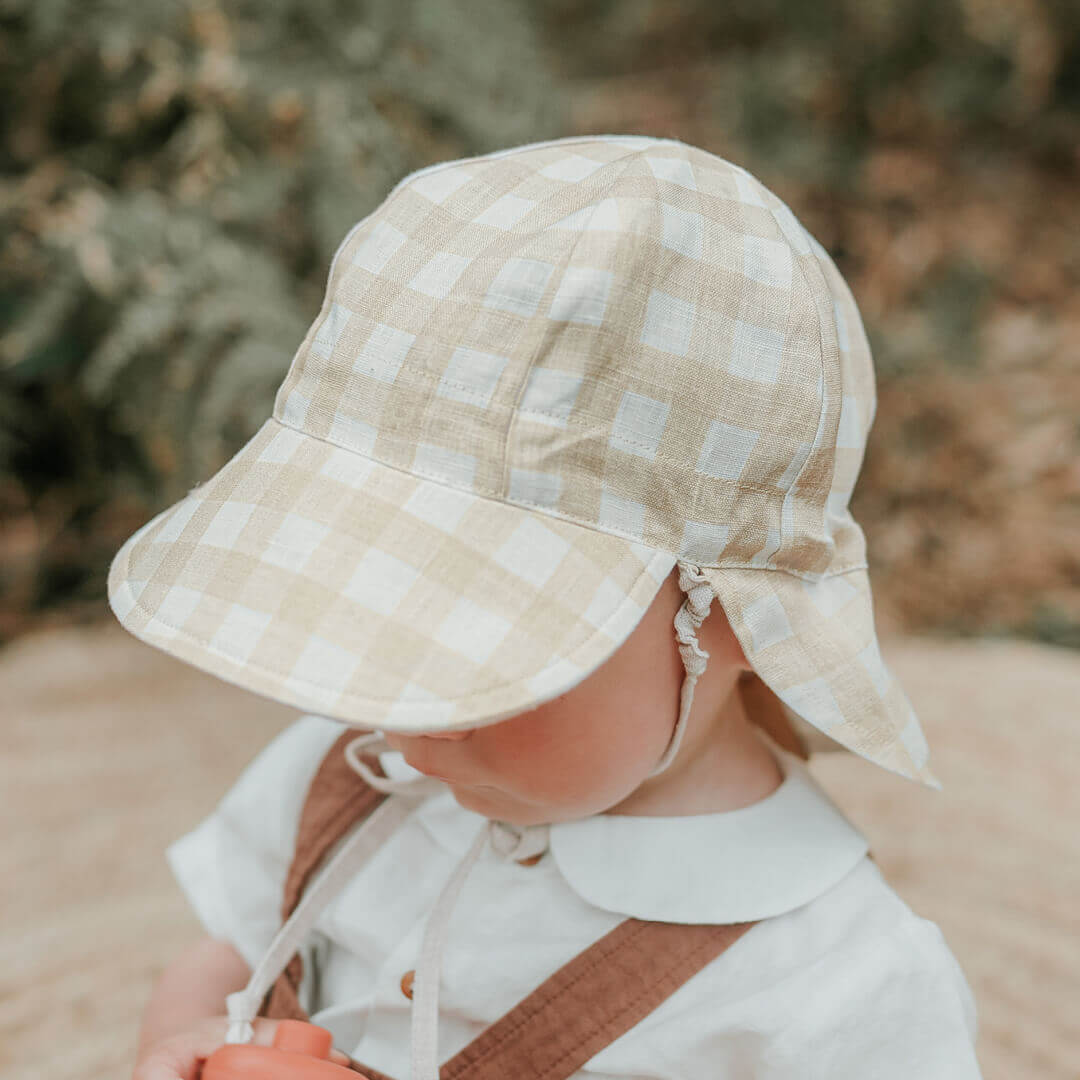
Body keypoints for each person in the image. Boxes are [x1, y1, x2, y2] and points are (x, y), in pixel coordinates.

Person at [110, 134, 982, 1079]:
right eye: (373, 624)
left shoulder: (834, 991)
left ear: (735, 611)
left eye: (482, 656)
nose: (408, 728)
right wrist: (185, 1041)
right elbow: (229, 956)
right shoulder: (343, 779)